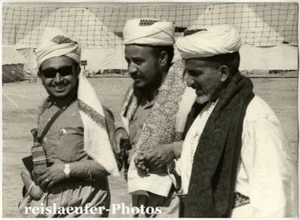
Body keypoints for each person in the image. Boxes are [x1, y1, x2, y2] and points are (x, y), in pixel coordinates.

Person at [171, 25, 298, 217]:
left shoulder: (255, 119)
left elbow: (277, 198)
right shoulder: (208, 109)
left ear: (223, 72)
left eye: (195, 73)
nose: (188, 82)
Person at [19, 27, 120, 217]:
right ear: (40, 76)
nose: (58, 79)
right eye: (49, 73)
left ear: (77, 71)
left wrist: (67, 170)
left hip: (85, 205)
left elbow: (114, 163)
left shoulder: (93, 112)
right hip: (49, 205)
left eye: (64, 71)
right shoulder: (45, 110)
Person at [119, 18, 195, 217]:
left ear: (162, 59)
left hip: (178, 201)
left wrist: (174, 150)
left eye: (138, 61)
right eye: (128, 61)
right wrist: (120, 133)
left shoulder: (188, 97)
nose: (130, 70)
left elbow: (211, 141)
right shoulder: (135, 95)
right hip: (141, 197)